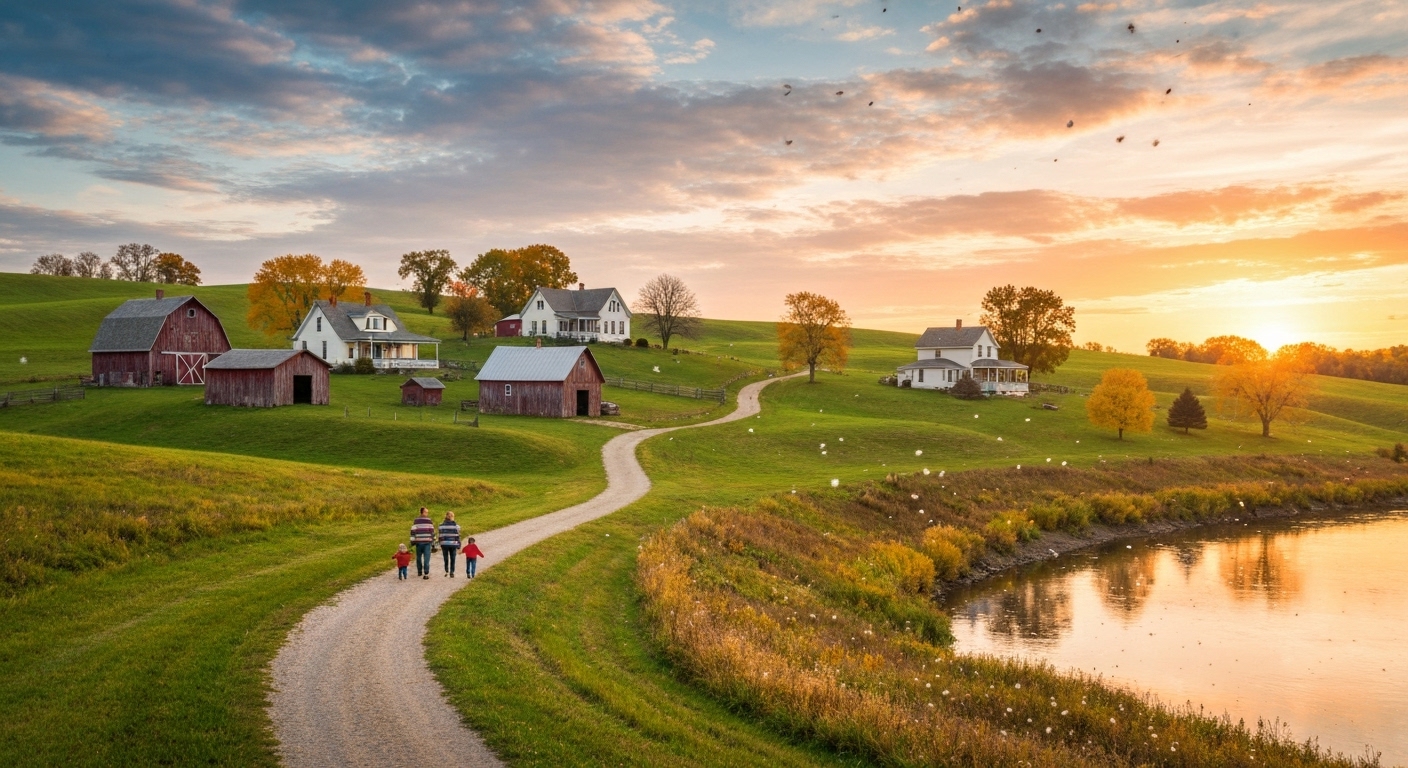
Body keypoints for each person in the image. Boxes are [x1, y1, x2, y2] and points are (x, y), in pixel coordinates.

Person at [410, 507, 436, 580]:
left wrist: (412, 541)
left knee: (423, 558)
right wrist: (433, 541)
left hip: (425, 542)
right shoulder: (418, 521)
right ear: (422, 512)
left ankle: (425, 573)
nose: (427, 514)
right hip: (421, 542)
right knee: (422, 558)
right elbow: (432, 532)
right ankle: (420, 571)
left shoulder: (428, 520)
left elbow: (431, 531)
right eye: (426, 512)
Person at [438, 511, 461, 578]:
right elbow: (458, 536)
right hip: (453, 544)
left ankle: (446, 570)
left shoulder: (441, 526)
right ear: (452, 517)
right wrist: (459, 545)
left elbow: (440, 536)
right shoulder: (457, 526)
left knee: (446, 558)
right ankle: (452, 572)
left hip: (444, 544)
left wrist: (440, 543)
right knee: (453, 558)